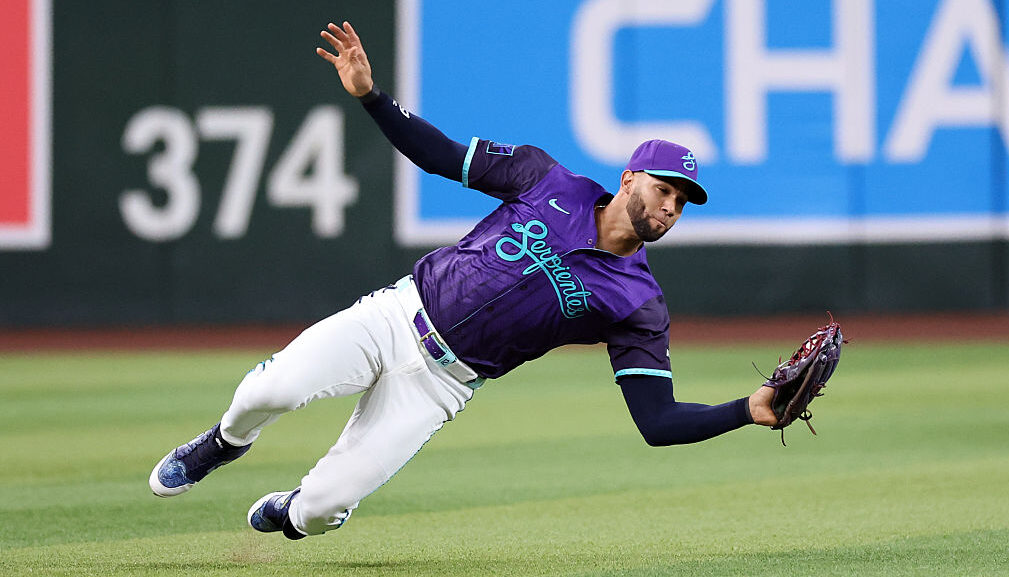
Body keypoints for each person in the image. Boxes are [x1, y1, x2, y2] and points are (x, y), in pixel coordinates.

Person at [149, 20, 780, 540]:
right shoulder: (546, 179)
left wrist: (746, 410)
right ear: (629, 179)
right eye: (663, 189)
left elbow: (657, 421)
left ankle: (293, 508)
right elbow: (441, 155)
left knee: (319, 513)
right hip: (394, 317)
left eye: (682, 202)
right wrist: (371, 98)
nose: (669, 207)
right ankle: (224, 443)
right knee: (274, 389)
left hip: (441, 387)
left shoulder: (638, 302)